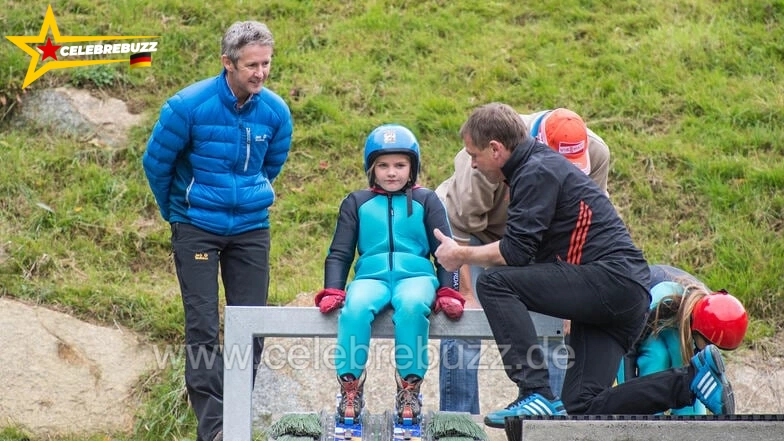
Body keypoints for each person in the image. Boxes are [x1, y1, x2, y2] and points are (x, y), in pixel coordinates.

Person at [433, 102, 734, 426]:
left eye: (474, 155)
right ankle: (691, 381)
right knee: (581, 408)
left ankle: (534, 391)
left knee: (494, 283)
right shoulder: (533, 169)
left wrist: (461, 255)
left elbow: (516, 253)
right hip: (621, 296)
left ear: (495, 149)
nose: (473, 165)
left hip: (611, 281)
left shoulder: (536, 170)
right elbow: (545, 256)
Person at [142, 21, 292, 441]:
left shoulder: (276, 112)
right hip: (196, 229)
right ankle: (215, 431)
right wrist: (178, 214)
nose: (260, 73)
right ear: (227, 63)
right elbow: (156, 165)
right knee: (204, 327)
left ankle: (237, 418)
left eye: (266, 63)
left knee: (251, 324)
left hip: (250, 230)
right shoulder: (186, 106)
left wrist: (247, 195)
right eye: (251, 65)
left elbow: (271, 164)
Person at [437, 108, 612, 414]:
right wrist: (466, 293)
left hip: (542, 240)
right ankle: (459, 421)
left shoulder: (595, 152)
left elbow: (585, 227)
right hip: (478, 233)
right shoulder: (482, 160)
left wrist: (573, 300)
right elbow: (460, 229)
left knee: (558, 326)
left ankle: (549, 417)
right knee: (464, 322)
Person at [314, 124, 464, 425]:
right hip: (371, 278)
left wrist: (449, 290)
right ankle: (350, 387)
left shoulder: (427, 201)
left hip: (416, 278)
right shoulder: (356, 202)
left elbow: (446, 250)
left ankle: (409, 388)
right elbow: (340, 252)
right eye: (383, 165)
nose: (391, 172)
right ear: (371, 168)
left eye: (400, 165)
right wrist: (333, 288)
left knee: (411, 307)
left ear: (412, 167)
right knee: (354, 309)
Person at [617, 264, 748, 415]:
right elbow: (626, 349)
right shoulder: (662, 301)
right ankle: (648, 420)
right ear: (700, 331)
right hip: (635, 321)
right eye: (710, 344)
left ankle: (692, 427)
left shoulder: (708, 310)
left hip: (672, 322)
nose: (711, 349)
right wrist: (627, 398)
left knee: (683, 359)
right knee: (656, 356)